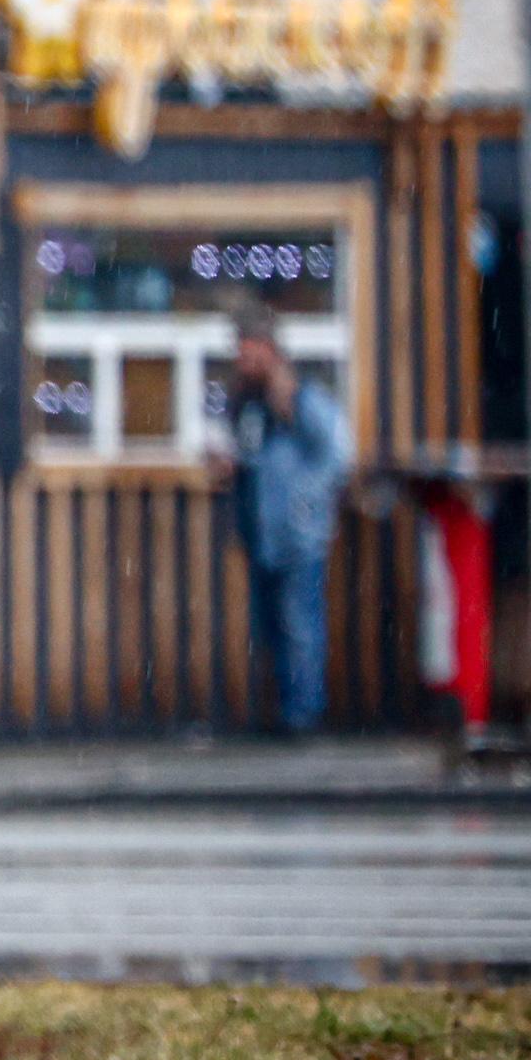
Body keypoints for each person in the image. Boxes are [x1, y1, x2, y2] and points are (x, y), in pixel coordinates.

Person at [214, 300, 352, 735]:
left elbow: (337, 455)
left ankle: (303, 714)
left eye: (252, 346)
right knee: (271, 628)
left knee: (299, 624)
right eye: (242, 346)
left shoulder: (302, 398)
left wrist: (305, 504)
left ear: (272, 348)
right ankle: (284, 711)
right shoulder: (244, 400)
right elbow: (251, 455)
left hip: (297, 533)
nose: (245, 356)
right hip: (260, 531)